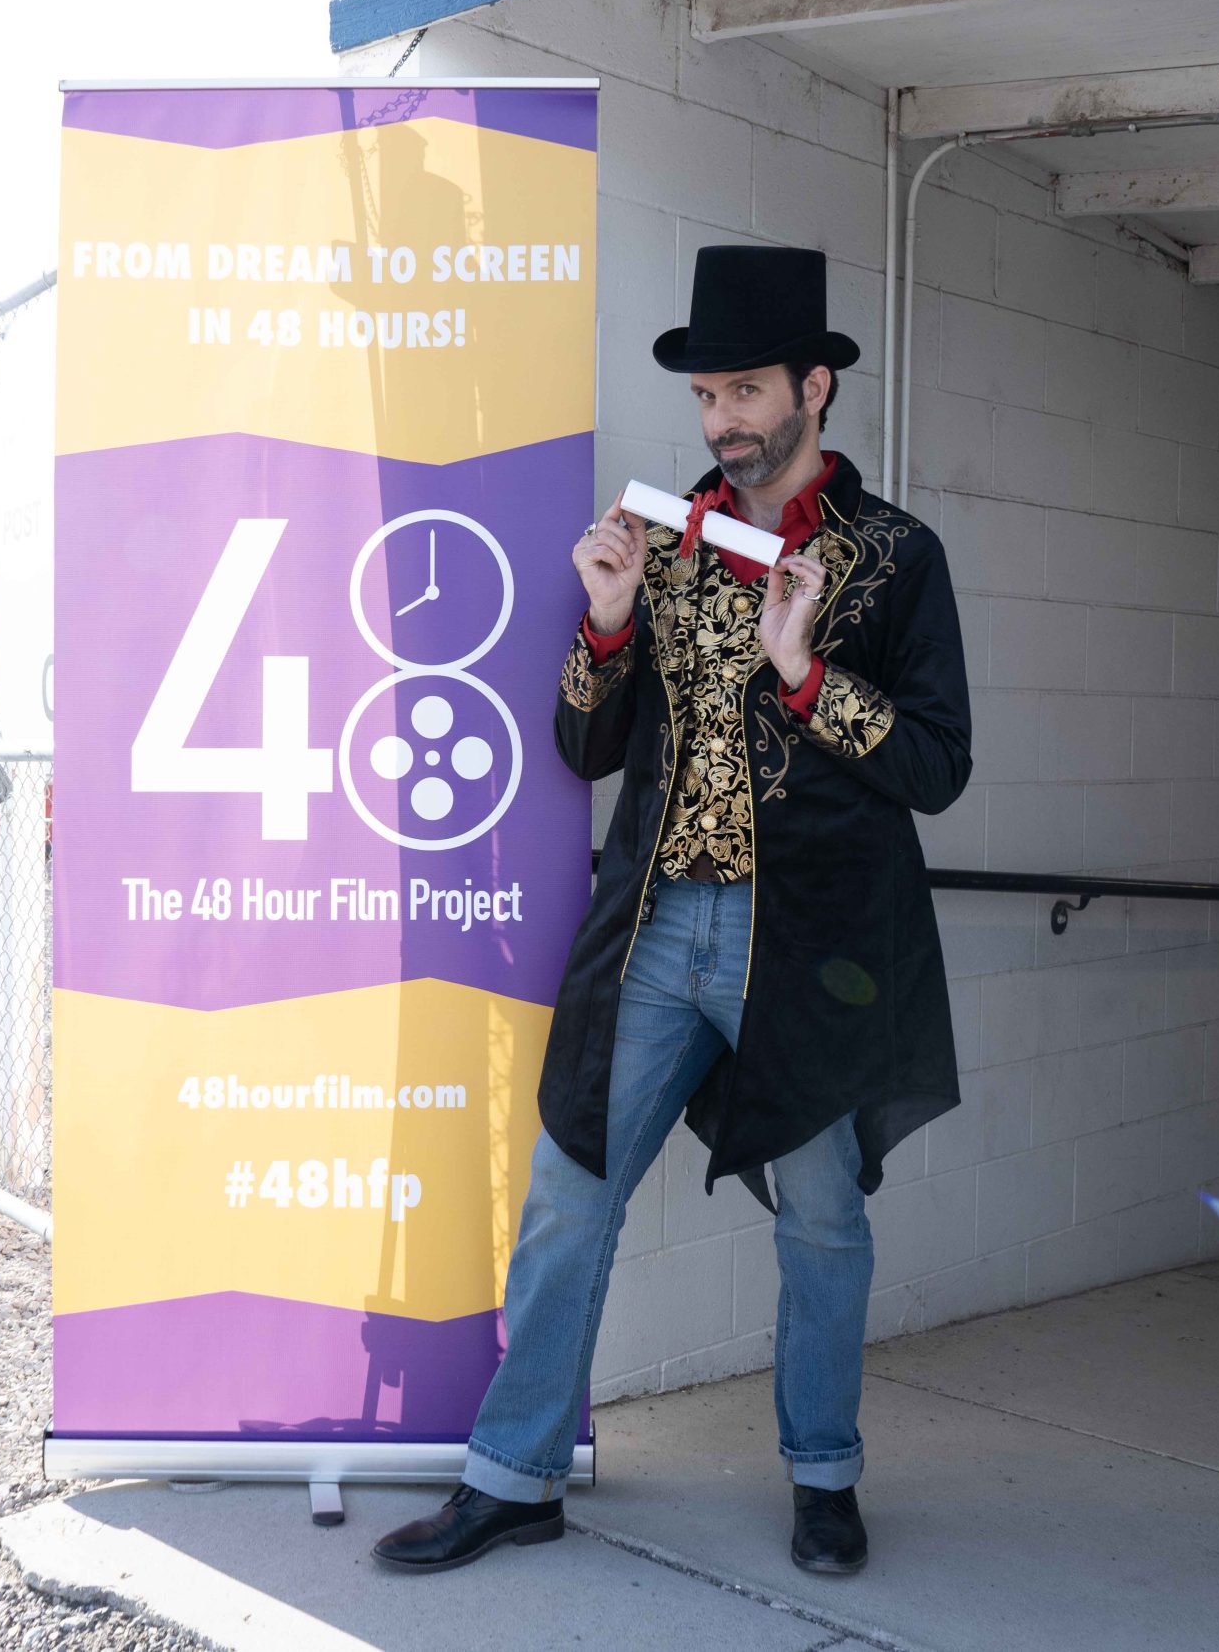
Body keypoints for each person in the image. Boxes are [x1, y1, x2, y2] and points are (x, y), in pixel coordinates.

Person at [372, 244, 973, 1578]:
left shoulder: (895, 557)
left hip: (806, 947)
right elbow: (584, 749)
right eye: (706, 397)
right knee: (567, 1195)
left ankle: (824, 1476)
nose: (722, 422)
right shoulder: (665, 544)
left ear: (814, 388)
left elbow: (939, 766)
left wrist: (806, 675)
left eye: (747, 391)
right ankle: (512, 1477)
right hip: (655, 933)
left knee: (823, 1219)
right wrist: (604, 622)